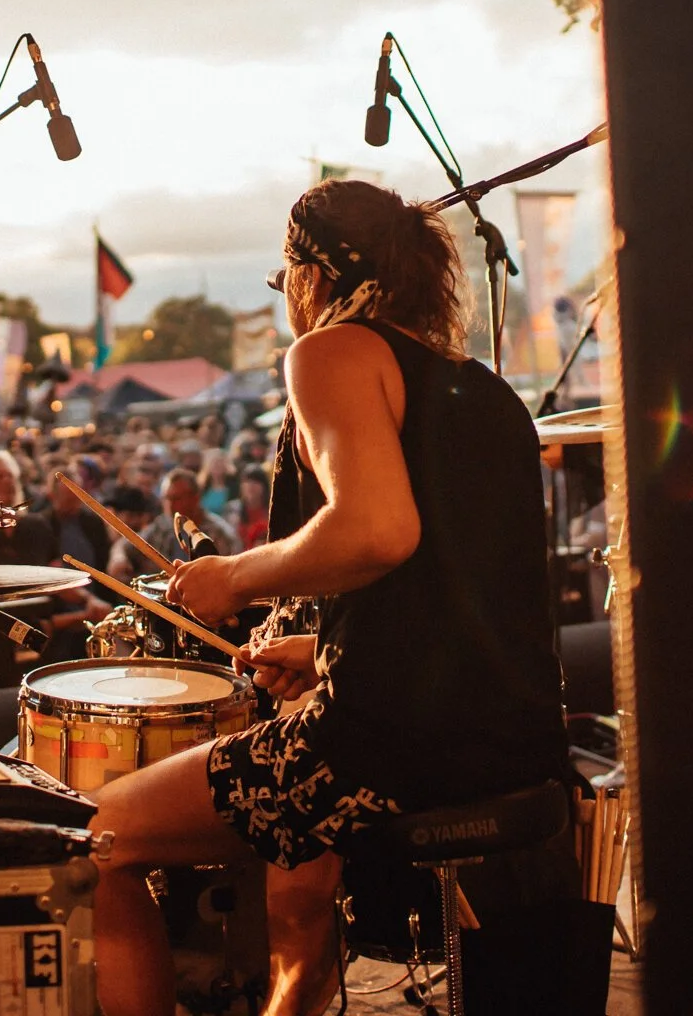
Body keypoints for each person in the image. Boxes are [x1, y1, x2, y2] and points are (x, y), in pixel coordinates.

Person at [86, 180, 569, 1016]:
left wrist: (230, 576)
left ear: (312, 272)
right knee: (297, 902)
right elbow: (459, 591)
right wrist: (324, 650)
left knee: (99, 837)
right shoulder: (478, 387)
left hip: (391, 747)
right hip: (517, 737)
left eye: (285, 280)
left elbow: (380, 532)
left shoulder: (333, 352)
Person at [109, 468, 239, 581]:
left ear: (195, 498)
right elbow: (128, 543)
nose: (170, 505)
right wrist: (119, 557)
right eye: (167, 498)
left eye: (176, 499)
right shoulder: (163, 524)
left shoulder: (220, 534)